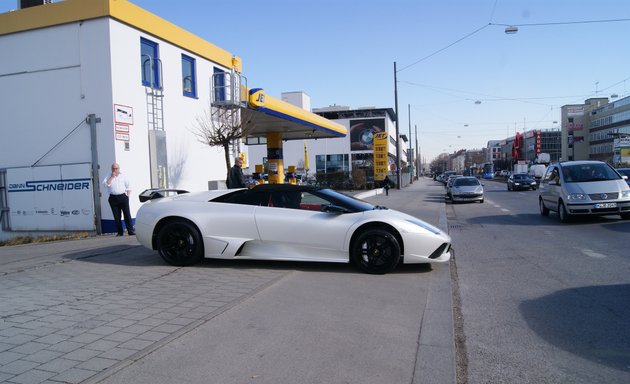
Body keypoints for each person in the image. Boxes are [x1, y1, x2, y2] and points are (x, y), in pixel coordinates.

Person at [103, 163, 135, 236]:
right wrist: (112, 177)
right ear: (111, 169)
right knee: (117, 216)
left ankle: (130, 230)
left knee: (127, 214)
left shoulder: (123, 176)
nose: (115, 170)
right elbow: (105, 184)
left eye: (116, 168)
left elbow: (128, 185)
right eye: (113, 168)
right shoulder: (108, 175)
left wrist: (127, 196)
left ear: (119, 169)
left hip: (123, 197)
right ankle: (120, 232)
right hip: (113, 198)